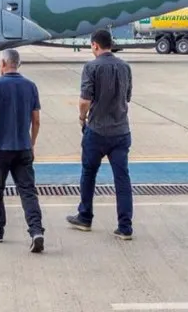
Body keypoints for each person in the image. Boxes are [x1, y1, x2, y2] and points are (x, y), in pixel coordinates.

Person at [66, 28, 134, 240]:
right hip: (121, 130)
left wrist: (81, 117)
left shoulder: (91, 67)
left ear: (95, 45)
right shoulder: (125, 67)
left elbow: (85, 99)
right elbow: (128, 97)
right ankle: (125, 227)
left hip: (97, 130)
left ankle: (85, 216)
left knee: (88, 173)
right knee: (122, 178)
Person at [0, 48, 45, 253]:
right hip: (23, 147)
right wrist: (31, 143)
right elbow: (36, 120)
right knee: (28, 191)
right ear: (18, 64)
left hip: (1, 148)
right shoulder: (31, 86)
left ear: (2, 64)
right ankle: (36, 230)